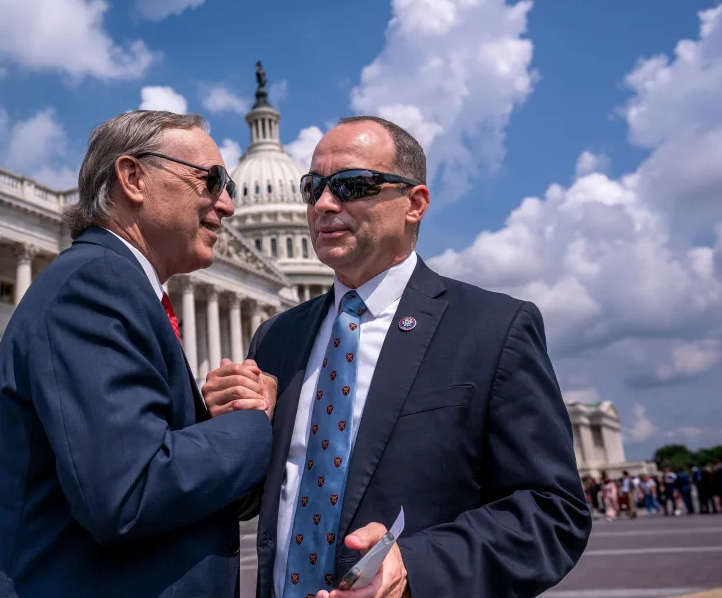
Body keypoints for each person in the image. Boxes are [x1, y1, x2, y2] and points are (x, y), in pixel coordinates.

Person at [206, 117, 591, 597]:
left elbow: (553, 513)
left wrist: (414, 566)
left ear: (416, 203)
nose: (324, 204)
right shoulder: (276, 338)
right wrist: (232, 430)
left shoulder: (492, 329)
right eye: (312, 188)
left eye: (350, 185)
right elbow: (256, 500)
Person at [0, 110, 275, 597]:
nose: (227, 204)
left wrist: (216, 423)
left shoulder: (124, 288)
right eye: (212, 180)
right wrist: (255, 422)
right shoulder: (98, 283)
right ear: (133, 177)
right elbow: (128, 492)